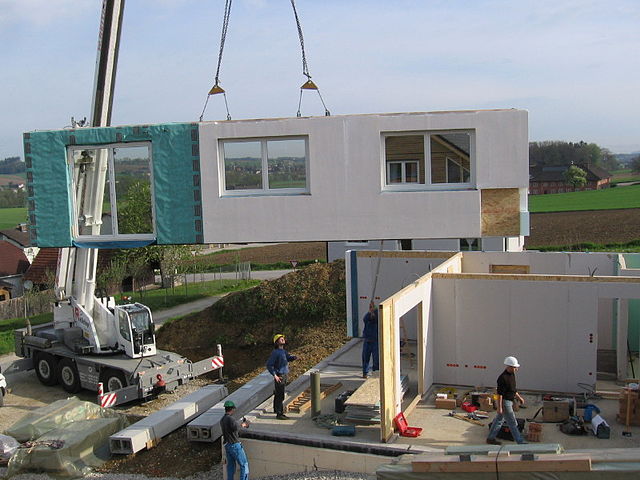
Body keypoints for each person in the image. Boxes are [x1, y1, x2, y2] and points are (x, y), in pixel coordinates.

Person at [486, 356, 527, 445]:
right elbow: (499, 394)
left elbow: (513, 389)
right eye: (515, 367)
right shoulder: (502, 378)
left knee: (498, 420)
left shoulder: (512, 375)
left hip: (509, 401)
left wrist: (519, 397)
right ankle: (520, 441)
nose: (517, 369)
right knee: (512, 422)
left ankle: (490, 438)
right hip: (505, 402)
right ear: (509, 367)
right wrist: (499, 407)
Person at [266, 333, 297, 420]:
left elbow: (287, 358)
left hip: (284, 374)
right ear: (276, 342)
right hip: (280, 375)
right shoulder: (275, 353)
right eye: (280, 338)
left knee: (278, 393)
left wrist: (293, 358)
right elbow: (269, 365)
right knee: (280, 395)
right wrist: (275, 375)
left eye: (283, 338)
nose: (283, 339)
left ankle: (276, 409)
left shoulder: (283, 351)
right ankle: (280, 414)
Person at [219, 400, 249, 480]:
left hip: (227, 445)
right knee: (244, 464)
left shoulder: (222, 419)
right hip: (234, 445)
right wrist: (244, 424)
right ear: (232, 409)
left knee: (231, 466)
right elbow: (236, 428)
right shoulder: (230, 419)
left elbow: (231, 427)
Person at [361, 301, 379, 379]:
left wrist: (373, 311)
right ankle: (365, 373)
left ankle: (375, 373)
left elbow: (376, 318)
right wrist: (369, 312)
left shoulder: (376, 320)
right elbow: (365, 319)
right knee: (365, 357)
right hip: (367, 340)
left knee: (376, 359)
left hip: (375, 341)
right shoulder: (367, 319)